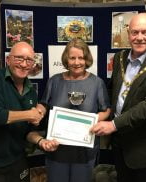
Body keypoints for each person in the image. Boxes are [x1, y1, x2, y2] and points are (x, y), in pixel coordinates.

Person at [91, 13, 146, 182]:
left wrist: (113, 125)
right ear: (128, 33)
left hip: (143, 149)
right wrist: (96, 114)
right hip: (119, 144)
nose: (139, 38)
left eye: (145, 32)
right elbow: (112, 92)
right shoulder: (119, 58)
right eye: (135, 32)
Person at [0, 41, 58, 182]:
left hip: (17, 160)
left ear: (33, 64)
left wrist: (41, 141)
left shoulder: (31, 92)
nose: (23, 64)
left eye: (29, 60)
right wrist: (30, 114)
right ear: (8, 59)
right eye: (19, 58)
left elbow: (26, 131)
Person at [41, 38, 111, 182]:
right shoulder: (54, 81)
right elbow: (43, 104)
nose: (77, 62)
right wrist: (36, 113)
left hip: (84, 150)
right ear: (66, 59)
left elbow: (106, 110)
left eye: (81, 57)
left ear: (87, 59)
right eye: (72, 58)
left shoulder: (97, 83)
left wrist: (89, 122)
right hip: (57, 148)